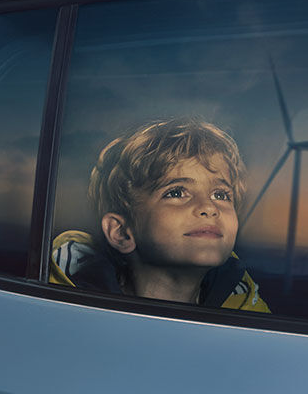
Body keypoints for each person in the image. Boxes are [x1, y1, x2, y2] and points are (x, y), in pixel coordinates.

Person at [50, 117, 270, 312]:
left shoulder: (245, 309)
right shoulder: (67, 307)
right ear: (122, 233)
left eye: (220, 195)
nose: (209, 207)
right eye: (176, 192)